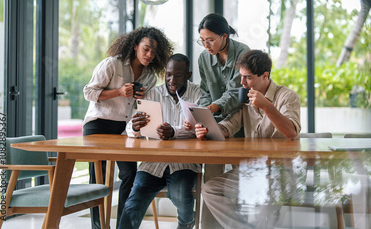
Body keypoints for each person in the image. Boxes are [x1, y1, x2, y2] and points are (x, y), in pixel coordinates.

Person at [194, 50, 301, 228]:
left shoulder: (287, 97)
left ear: (265, 76)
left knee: (264, 213)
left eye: (248, 78)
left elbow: (290, 132)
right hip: (251, 172)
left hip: (280, 173)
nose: (242, 83)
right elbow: (229, 125)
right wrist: (209, 130)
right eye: (241, 76)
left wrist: (267, 106)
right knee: (210, 190)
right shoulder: (246, 98)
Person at [83, 26, 172, 228]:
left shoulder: (149, 76)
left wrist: (142, 100)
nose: (149, 55)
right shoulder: (112, 65)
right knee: (98, 178)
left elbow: (143, 107)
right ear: (135, 46)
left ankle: (123, 225)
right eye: (146, 49)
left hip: (125, 129)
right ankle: (98, 226)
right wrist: (119, 92)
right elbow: (88, 92)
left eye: (154, 52)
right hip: (99, 125)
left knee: (130, 174)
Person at [118, 53, 201, 229]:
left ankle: (186, 222)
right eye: (168, 74)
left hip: (184, 163)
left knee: (180, 195)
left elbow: (198, 130)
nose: (172, 80)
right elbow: (129, 129)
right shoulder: (152, 94)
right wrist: (135, 127)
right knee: (133, 203)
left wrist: (174, 132)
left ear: (188, 75)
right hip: (152, 164)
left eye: (178, 75)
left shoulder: (199, 95)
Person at [196, 13, 250, 228]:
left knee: (238, 183)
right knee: (211, 180)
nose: (206, 45)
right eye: (202, 40)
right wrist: (203, 111)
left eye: (210, 40)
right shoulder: (203, 58)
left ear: (224, 36)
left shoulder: (243, 53)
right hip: (213, 124)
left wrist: (213, 107)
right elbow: (204, 92)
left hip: (239, 123)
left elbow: (237, 93)